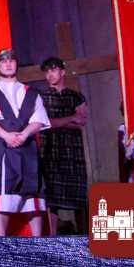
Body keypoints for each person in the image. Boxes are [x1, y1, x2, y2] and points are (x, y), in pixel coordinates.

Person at [0, 48, 50, 236]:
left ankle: (38, 241)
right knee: (2, 193)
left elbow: (38, 120)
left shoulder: (31, 93)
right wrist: (6, 136)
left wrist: (24, 135)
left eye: (11, 60)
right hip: (2, 149)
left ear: (17, 64)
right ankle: (1, 240)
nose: (8, 64)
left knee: (33, 193)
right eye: (3, 61)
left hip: (28, 149)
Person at [37, 57, 88, 235]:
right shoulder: (41, 98)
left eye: (53, 70)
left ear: (62, 72)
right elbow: (44, 123)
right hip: (51, 150)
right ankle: (52, 237)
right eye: (47, 71)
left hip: (73, 151)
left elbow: (81, 122)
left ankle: (83, 236)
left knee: (79, 195)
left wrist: (58, 122)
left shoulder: (76, 96)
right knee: (52, 198)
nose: (50, 74)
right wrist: (71, 118)